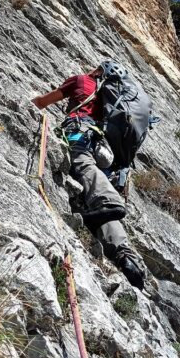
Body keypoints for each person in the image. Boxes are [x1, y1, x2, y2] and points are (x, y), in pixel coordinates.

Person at [33, 67, 146, 289]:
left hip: (80, 132)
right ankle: (125, 257)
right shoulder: (110, 97)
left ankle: (110, 200)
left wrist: (33, 101)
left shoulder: (81, 80)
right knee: (99, 205)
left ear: (97, 70)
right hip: (104, 147)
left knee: (83, 164)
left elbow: (44, 101)